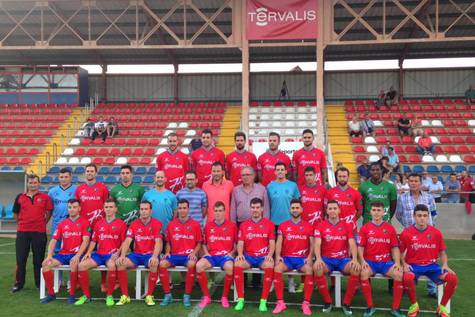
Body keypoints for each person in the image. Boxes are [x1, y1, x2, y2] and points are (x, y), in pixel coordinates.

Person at [400, 204, 458, 317]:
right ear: (414, 216)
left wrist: (445, 264)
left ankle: (442, 307)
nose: (422, 218)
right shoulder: (406, 233)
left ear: (428, 217)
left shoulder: (436, 233)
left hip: (432, 266)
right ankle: (414, 305)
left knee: (452, 278)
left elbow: (442, 252)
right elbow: (400, 251)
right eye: (419, 215)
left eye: (425, 215)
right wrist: (404, 263)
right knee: (407, 277)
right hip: (414, 266)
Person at [74, 198, 127, 306]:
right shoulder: (98, 224)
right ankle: (86, 296)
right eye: (106, 207)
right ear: (103, 209)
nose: (108, 209)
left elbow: (124, 242)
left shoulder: (121, 224)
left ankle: (109, 295)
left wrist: (119, 253)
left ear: (116, 209)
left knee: (112, 266)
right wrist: (89, 252)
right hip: (99, 254)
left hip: (111, 255)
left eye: (111, 207)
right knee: (81, 265)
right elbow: (94, 240)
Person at [357, 202, 405, 317]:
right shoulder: (365, 228)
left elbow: (395, 247)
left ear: (384, 212)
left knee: (398, 274)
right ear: (370, 212)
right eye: (374, 210)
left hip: (386, 262)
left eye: (379, 210)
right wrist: (362, 261)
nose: (376, 212)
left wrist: (397, 263)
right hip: (370, 262)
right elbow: (360, 247)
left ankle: (395, 308)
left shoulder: (390, 228)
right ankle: (370, 306)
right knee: (363, 274)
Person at [313, 201, 361, 315]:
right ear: (327, 211)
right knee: (317, 268)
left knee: (355, 268)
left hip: (343, 260)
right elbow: (317, 244)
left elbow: (352, 243)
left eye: (335, 208)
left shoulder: (347, 225)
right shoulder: (321, 225)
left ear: (339, 210)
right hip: (327, 260)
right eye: (330, 208)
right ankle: (327, 301)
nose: (332, 211)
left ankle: (347, 303)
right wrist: (318, 259)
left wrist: (354, 259)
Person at [395, 173, 438, 298]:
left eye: (416, 181)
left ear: (420, 183)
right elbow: (398, 214)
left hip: (427, 234)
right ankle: (410, 283)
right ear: (408, 182)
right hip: (410, 235)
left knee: (431, 258)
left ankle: (432, 289)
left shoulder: (429, 197)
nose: (413, 183)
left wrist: (429, 226)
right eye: (411, 181)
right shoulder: (402, 198)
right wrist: (409, 228)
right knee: (408, 258)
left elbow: (434, 212)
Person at [40, 199, 90, 304]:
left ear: (79, 208)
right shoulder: (63, 223)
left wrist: (78, 255)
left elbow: (86, 241)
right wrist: (49, 255)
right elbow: (53, 240)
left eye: (74, 207)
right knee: (45, 264)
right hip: (63, 254)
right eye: (70, 207)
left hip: (77, 255)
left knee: (73, 263)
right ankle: (51, 294)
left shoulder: (85, 222)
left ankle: (72, 295)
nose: (72, 209)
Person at [115, 201, 163, 306]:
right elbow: (127, 241)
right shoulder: (134, 224)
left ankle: (149, 295)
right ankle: (125, 296)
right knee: (121, 263)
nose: (144, 211)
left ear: (151, 211)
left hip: (150, 254)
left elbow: (158, 242)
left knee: (154, 264)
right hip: (137, 254)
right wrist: (122, 255)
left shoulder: (157, 223)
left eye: (146, 209)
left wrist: (155, 256)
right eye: (142, 209)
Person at [272, 199, 314, 315]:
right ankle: (280, 302)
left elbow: (312, 244)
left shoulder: (308, 226)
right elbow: (279, 242)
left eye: (297, 208)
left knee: (309, 270)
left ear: (302, 209)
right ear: (290, 210)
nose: (295, 210)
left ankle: (306, 303)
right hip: (287, 259)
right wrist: (278, 256)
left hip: (302, 259)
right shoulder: (283, 225)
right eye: (293, 208)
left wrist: (310, 257)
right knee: (277, 268)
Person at [12, 174, 53, 293]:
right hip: (23, 232)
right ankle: (19, 284)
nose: (33, 185)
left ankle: (39, 284)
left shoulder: (45, 197)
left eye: (35, 182)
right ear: (27, 184)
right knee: (20, 259)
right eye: (31, 183)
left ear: (39, 184)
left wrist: (42, 223)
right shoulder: (20, 197)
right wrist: (21, 223)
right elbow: (16, 213)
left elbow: (49, 211)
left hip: (39, 232)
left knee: (38, 259)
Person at [233, 198, 275, 312]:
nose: (255, 210)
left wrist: (270, 255)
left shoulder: (269, 224)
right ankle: (241, 299)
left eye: (257, 207)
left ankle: (263, 301)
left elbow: (272, 242)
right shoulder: (244, 225)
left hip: (263, 257)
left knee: (270, 266)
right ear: (250, 208)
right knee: (237, 263)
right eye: (253, 207)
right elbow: (240, 242)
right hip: (249, 257)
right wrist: (240, 254)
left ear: (262, 209)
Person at [159, 199, 202, 307]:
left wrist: (194, 253)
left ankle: (186, 296)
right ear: (177, 209)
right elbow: (168, 242)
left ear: (188, 209)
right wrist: (168, 252)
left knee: (192, 264)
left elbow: (199, 243)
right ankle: (167, 295)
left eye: (184, 208)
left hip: (188, 256)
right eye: (180, 208)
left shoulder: (195, 224)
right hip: (174, 255)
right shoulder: (171, 224)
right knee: (162, 264)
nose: (182, 210)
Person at [196, 201, 237, 308]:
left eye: (220, 211)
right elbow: (204, 243)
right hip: (212, 256)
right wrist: (206, 253)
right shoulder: (208, 226)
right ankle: (206, 297)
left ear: (224, 212)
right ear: (213, 212)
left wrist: (231, 253)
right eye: (216, 211)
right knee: (199, 266)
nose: (218, 213)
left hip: (225, 256)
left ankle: (224, 297)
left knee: (230, 267)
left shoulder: (232, 226)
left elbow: (236, 244)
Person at [48, 167, 77, 253]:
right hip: (56, 223)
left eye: (66, 177)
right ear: (58, 177)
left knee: (71, 246)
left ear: (71, 177)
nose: (63, 179)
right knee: (56, 247)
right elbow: (50, 208)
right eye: (61, 177)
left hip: (72, 224)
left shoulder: (76, 190)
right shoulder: (52, 191)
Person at [267, 162, 300, 227]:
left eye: (282, 170)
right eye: (278, 170)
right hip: (274, 222)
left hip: (290, 221)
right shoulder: (269, 186)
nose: (280, 172)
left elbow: (297, 204)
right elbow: (268, 204)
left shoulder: (293, 185)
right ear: (275, 172)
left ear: (286, 171)